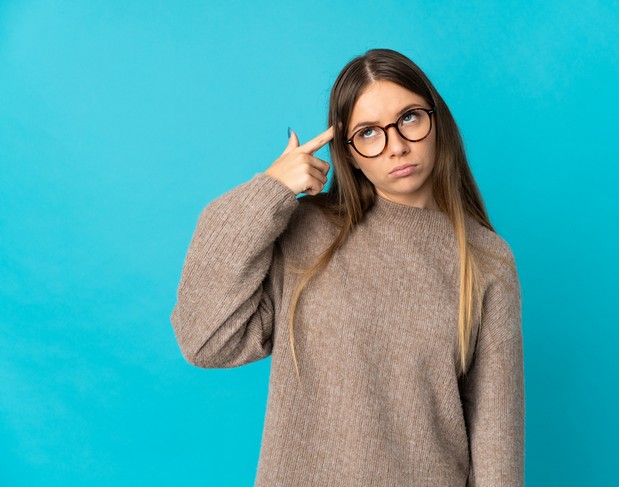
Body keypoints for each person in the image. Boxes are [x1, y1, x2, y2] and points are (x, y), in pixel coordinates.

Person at [170, 48, 524, 486]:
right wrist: (269, 191)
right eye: (370, 132)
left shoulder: (486, 259)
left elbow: (497, 442)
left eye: (410, 118)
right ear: (350, 153)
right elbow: (204, 339)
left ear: (437, 122)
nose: (396, 146)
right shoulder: (307, 233)